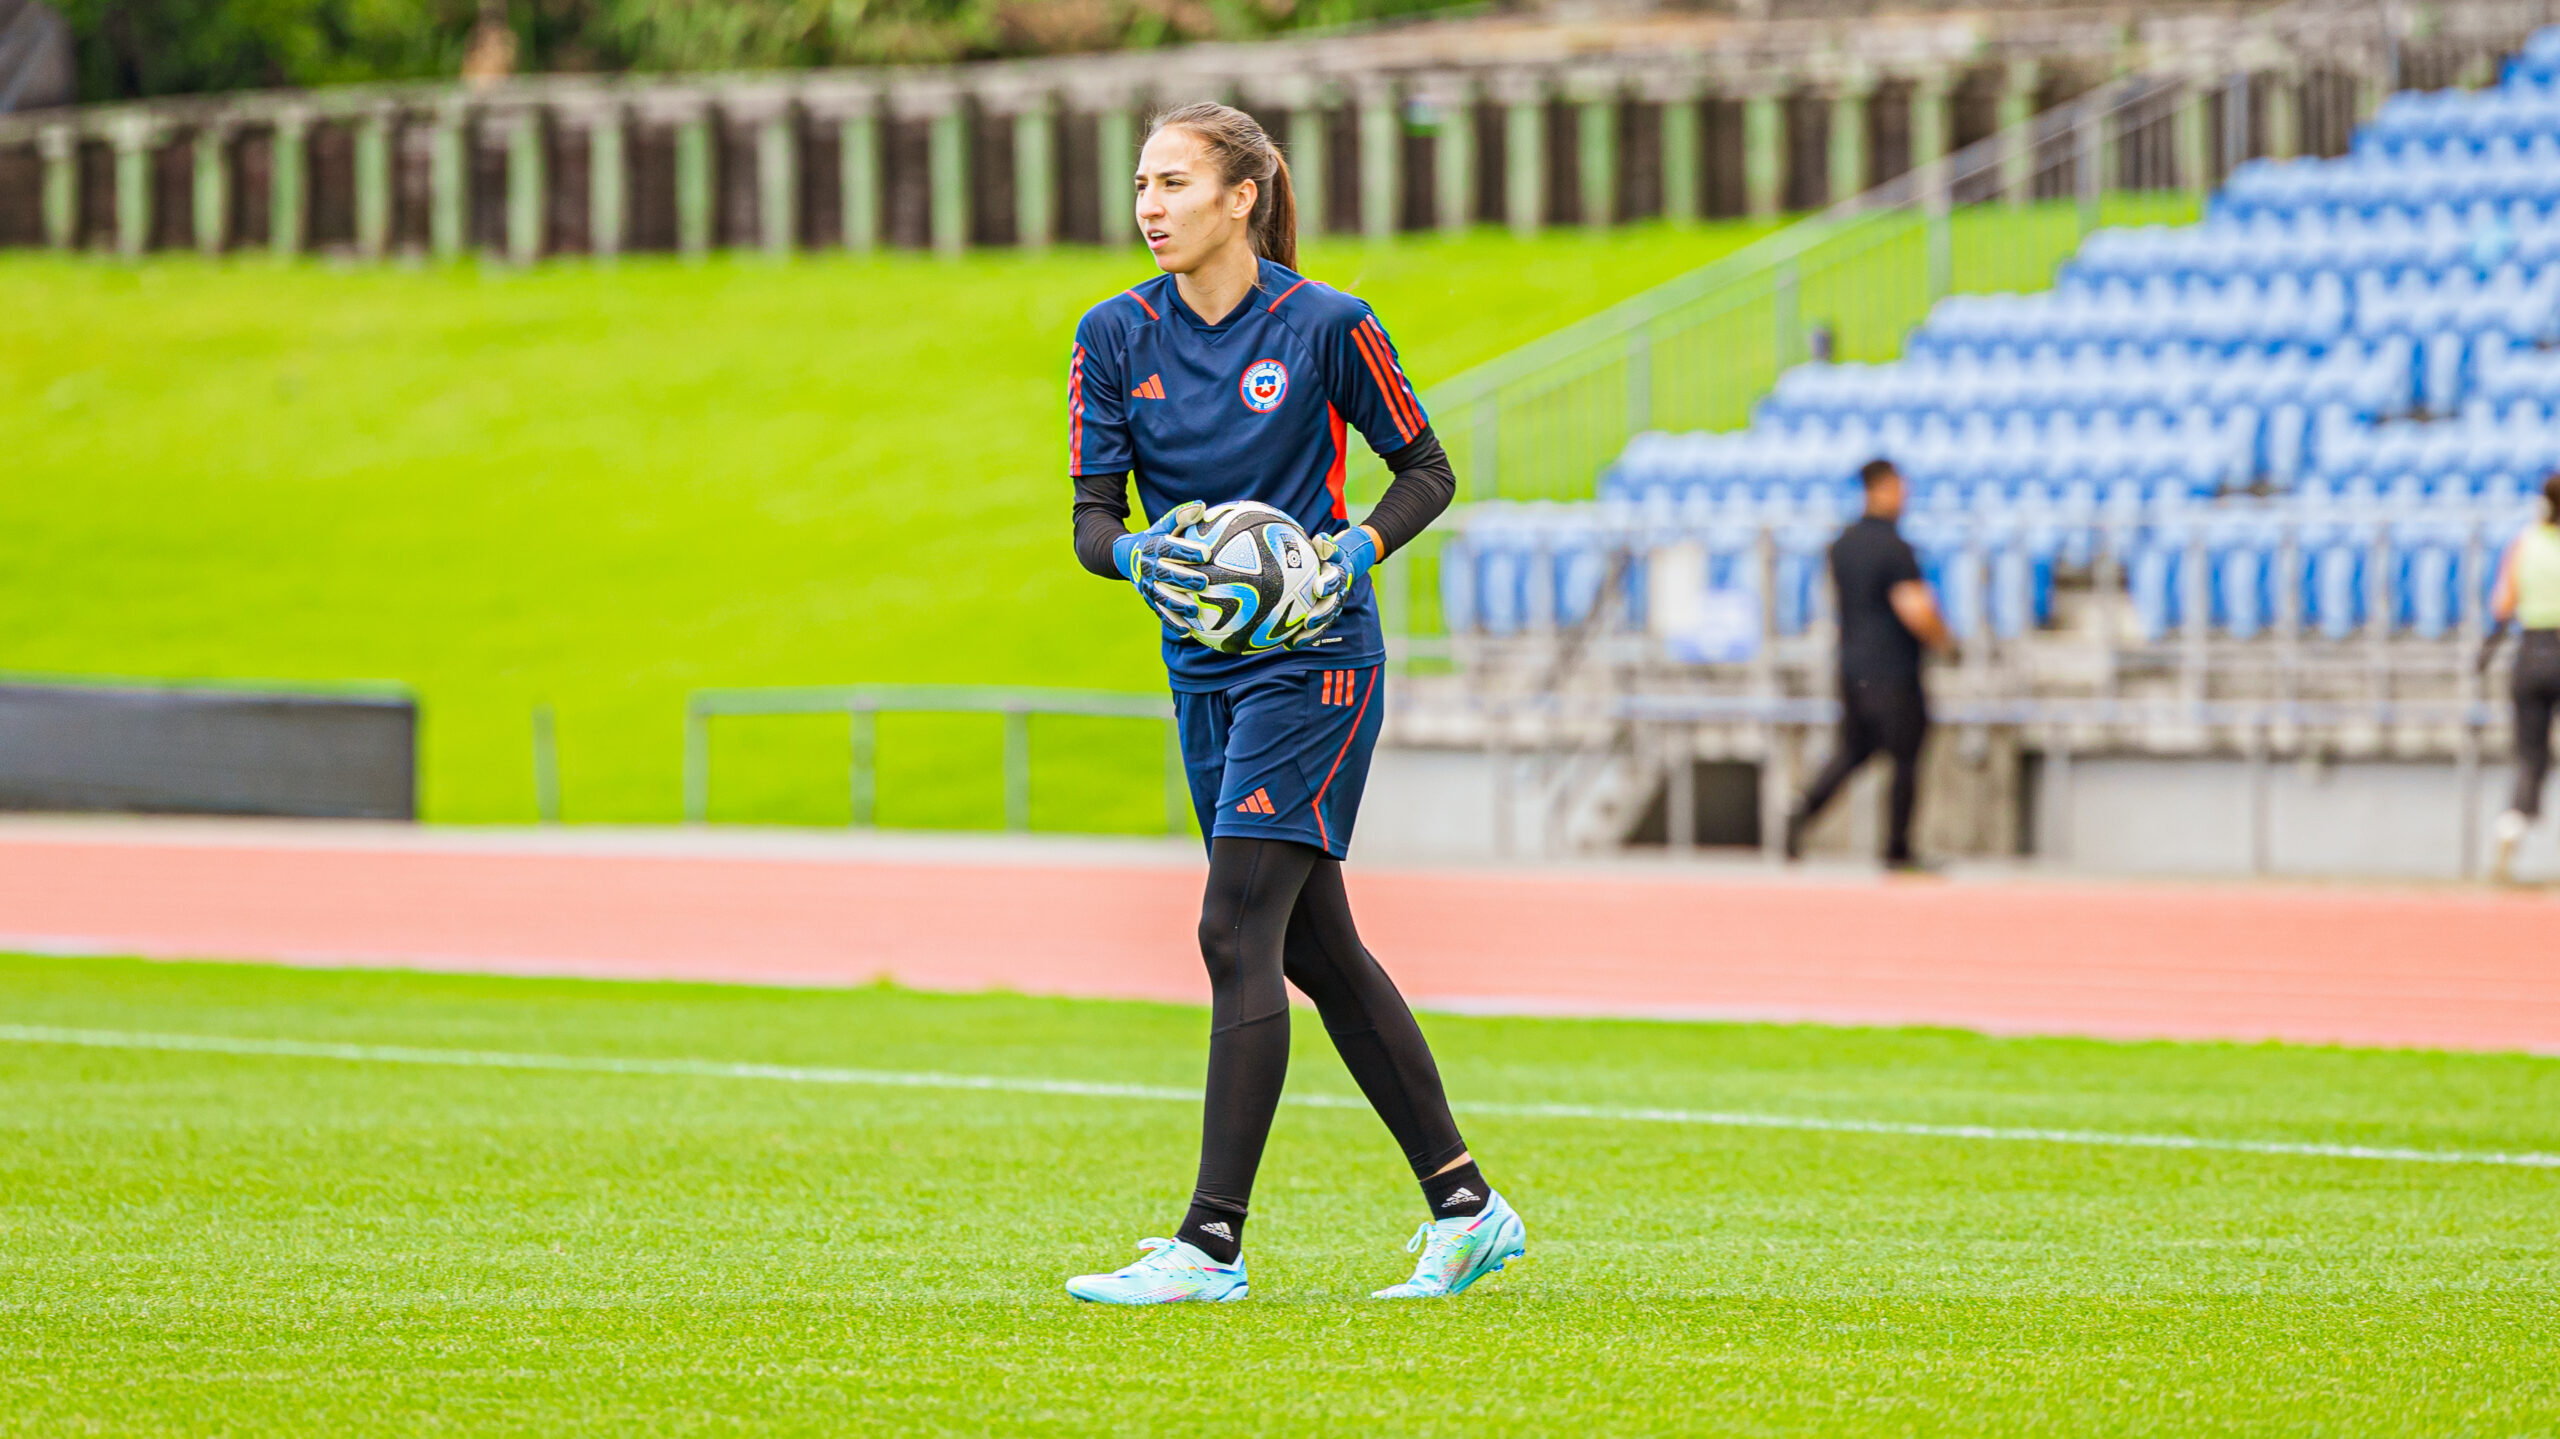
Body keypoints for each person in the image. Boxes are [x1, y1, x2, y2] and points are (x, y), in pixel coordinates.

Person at [1058, 101, 1526, 1305]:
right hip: (1202, 672)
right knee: (1314, 944)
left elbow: (1427, 469)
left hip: (1317, 663)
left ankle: (1209, 1241)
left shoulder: (1328, 325)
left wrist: (1348, 553)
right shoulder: (1110, 336)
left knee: (1232, 928)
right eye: (1140, 184)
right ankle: (1467, 1205)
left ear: (1241, 194)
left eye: (1171, 181)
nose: (1148, 205)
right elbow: (1091, 523)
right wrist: (1135, 559)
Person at [1783, 458, 1953, 869]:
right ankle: (1897, 847)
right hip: (1893, 669)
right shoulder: (1895, 547)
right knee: (1906, 757)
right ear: (1882, 488)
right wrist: (1945, 641)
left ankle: (1803, 810)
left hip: (1851, 665)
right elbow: (1914, 607)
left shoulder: (1843, 543)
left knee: (1855, 749)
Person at [2483, 472, 2560, 882]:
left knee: (2531, 755)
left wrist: (2485, 652)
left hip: (2531, 653)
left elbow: (2503, 604)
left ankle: (2511, 826)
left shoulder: (2524, 543)